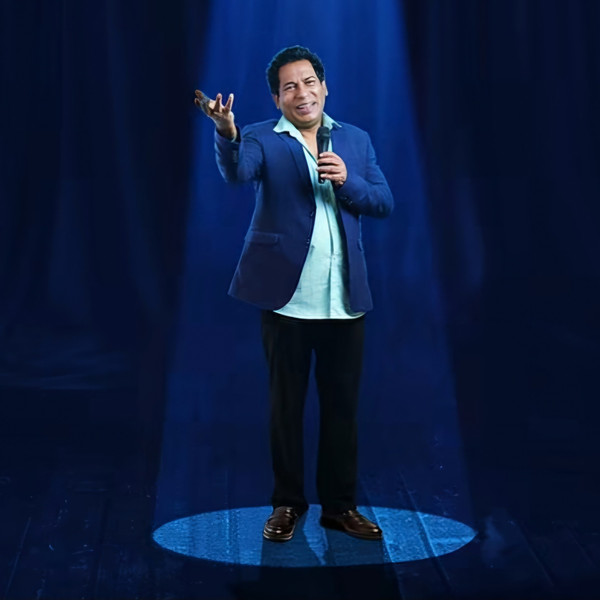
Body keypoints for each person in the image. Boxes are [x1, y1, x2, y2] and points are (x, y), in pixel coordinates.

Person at [194, 45, 393, 542]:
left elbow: (383, 202)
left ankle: (340, 508)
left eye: (308, 82)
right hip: (287, 298)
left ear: (324, 87)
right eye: (289, 87)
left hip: (344, 300)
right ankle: (287, 504)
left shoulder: (356, 140)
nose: (301, 93)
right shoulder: (262, 136)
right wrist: (226, 132)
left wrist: (347, 180)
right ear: (277, 99)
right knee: (286, 407)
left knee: (341, 409)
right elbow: (237, 172)